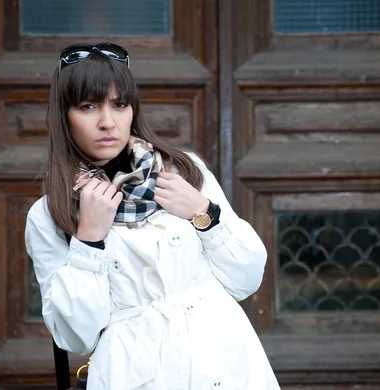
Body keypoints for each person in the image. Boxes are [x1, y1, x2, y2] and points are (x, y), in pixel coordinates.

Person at [25, 42, 280, 390]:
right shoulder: (50, 213)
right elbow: (75, 336)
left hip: (225, 363)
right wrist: (89, 239)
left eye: (119, 104)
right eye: (88, 106)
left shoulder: (183, 172)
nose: (107, 122)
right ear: (63, 115)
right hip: (135, 375)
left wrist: (203, 212)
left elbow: (247, 278)